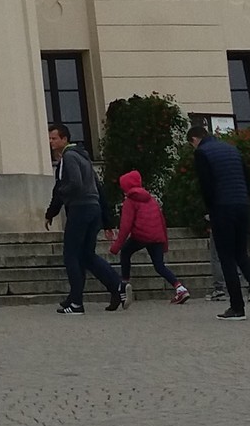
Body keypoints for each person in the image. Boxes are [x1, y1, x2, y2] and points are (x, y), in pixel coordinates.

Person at [188, 119, 250, 318]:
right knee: (241, 254)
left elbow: (206, 185)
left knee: (226, 257)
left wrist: (210, 210)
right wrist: (244, 198)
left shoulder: (202, 153)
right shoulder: (232, 149)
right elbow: (247, 177)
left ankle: (237, 307)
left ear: (194, 139)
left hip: (222, 207)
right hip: (242, 205)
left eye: (191, 144)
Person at [44, 122, 124, 314]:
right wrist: (107, 220)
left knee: (71, 255)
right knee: (86, 255)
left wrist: (53, 209)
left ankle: (77, 303)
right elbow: (98, 188)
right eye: (50, 138)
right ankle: (116, 286)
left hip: (79, 209)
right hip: (93, 209)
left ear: (65, 139)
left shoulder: (69, 158)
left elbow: (71, 185)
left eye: (54, 138)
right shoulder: (84, 157)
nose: (51, 142)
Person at [109, 169, 190, 304]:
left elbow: (125, 226)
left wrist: (116, 246)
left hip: (140, 235)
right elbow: (162, 221)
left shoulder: (130, 201)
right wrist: (164, 243)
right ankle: (180, 288)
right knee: (159, 266)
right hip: (157, 236)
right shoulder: (151, 199)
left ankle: (124, 284)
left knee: (126, 252)